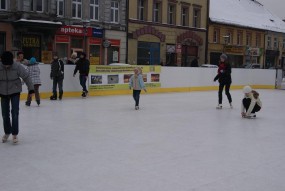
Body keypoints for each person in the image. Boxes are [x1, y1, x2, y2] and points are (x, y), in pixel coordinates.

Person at [0, 51, 34, 144]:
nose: (7, 66)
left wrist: (31, 89)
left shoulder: (17, 66)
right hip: (3, 92)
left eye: (8, 64)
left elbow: (26, 77)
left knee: (15, 112)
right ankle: (7, 132)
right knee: (4, 114)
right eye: (5, 64)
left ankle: (14, 134)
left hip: (15, 91)